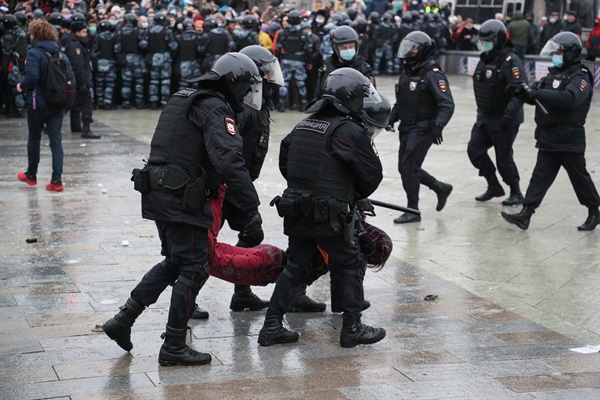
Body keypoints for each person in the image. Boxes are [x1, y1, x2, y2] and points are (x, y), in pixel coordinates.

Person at [102, 52, 265, 366]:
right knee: (194, 268)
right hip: (182, 198)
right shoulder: (216, 107)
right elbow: (229, 161)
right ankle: (174, 345)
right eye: (244, 90)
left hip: (159, 192)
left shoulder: (184, 96)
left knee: (175, 262)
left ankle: (122, 320)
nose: (245, 97)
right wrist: (251, 209)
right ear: (234, 85)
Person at [258, 68, 387, 348]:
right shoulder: (350, 130)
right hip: (329, 214)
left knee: (295, 266)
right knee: (351, 261)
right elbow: (371, 176)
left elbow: (285, 162)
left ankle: (271, 326)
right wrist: (346, 194)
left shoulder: (304, 124)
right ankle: (352, 328)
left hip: (296, 208)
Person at [502, 32, 599, 231]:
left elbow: (569, 99)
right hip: (548, 136)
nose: (556, 55)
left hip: (569, 138)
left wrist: (538, 93)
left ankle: (594, 211)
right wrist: (522, 92)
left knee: (579, 178)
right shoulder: (554, 73)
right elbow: (537, 95)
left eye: (559, 52)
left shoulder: (580, 76)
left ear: (570, 53)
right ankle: (526, 214)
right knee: (539, 177)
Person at [388, 31, 454, 223]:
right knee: (405, 167)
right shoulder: (407, 73)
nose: (408, 51)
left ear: (423, 51)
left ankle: (413, 209)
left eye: (413, 47)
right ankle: (440, 187)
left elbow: (447, 104)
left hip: (424, 128)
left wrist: (438, 126)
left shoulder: (432, 75)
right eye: (407, 46)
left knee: (409, 167)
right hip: (407, 128)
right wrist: (391, 118)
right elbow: (401, 103)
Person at [468, 19, 526, 206]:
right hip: (485, 117)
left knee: (503, 158)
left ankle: (515, 191)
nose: (485, 45)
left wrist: (509, 115)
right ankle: (493, 185)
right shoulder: (485, 58)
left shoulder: (511, 61)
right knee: (474, 150)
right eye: (482, 41)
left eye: (489, 41)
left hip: (505, 119)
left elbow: (520, 92)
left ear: (499, 40)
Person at [16, 19, 73, 192]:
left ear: (36, 34)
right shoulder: (60, 53)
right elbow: (71, 78)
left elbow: (32, 76)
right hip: (58, 102)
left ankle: (31, 175)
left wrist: (21, 86)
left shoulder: (34, 53)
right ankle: (56, 181)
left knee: (34, 138)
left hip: (38, 103)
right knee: (56, 142)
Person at [62, 20, 100, 138]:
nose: (86, 35)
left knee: (74, 103)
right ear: (77, 32)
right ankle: (86, 129)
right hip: (80, 81)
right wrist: (83, 82)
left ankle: (76, 126)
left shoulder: (71, 43)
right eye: (83, 32)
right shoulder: (74, 45)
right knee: (87, 104)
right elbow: (78, 65)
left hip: (74, 80)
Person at [315, 25, 374, 99]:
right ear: (336, 48)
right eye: (344, 48)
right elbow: (320, 89)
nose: (348, 50)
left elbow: (372, 95)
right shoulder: (328, 64)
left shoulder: (363, 67)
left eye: (351, 47)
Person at [274, 9, 311, 111]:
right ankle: (303, 104)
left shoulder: (283, 33)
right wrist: (309, 62)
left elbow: (277, 49)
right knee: (301, 83)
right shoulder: (304, 33)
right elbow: (308, 49)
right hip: (300, 61)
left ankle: (282, 105)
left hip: (286, 60)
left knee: (284, 83)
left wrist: (279, 61)